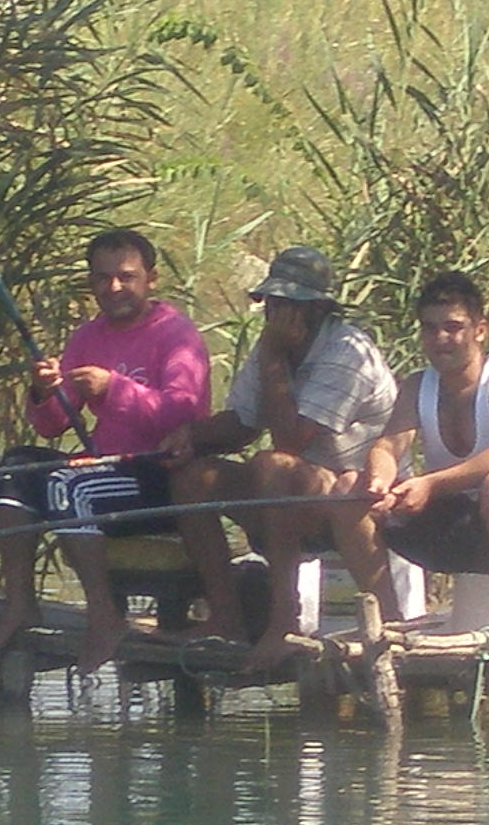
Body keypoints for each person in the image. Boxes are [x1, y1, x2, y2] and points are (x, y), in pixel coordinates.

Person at [0, 228, 234, 671]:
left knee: (67, 486)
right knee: (16, 469)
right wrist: (44, 392)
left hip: (158, 474)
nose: (112, 288)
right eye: (101, 279)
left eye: (125, 277)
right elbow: (53, 425)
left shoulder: (176, 335)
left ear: (150, 279)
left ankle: (104, 618)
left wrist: (113, 388)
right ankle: (20, 603)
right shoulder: (87, 336)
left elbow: (182, 413)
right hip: (103, 472)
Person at [169, 247, 401, 677]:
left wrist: (274, 355)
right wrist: (191, 437)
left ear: (316, 309)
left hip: (350, 492)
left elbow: (289, 441)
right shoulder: (271, 347)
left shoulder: (346, 349)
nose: (277, 313)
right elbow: (243, 423)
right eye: (273, 304)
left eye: (289, 305)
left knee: (273, 466)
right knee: (194, 479)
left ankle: (284, 621)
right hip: (288, 492)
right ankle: (226, 618)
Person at [364, 271, 489, 646]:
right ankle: (387, 622)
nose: (441, 339)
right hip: (457, 526)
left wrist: (431, 484)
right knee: (350, 490)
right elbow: (388, 445)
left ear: (480, 331)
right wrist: (379, 481)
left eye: (453, 328)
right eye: (430, 329)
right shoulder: (415, 386)